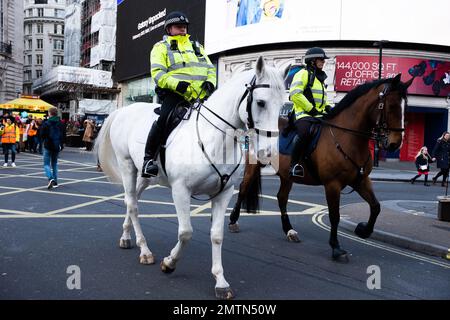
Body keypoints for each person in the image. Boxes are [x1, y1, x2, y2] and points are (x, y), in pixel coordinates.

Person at [141, 11, 217, 178]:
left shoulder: (197, 47)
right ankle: (148, 161)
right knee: (164, 119)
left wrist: (210, 82)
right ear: (169, 29)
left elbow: (211, 69)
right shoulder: (161, 47)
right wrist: (178, 85)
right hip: (177, 95)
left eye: (184, 27)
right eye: (178, 27)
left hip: (200, 96)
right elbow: (158, 74)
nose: (182, 29)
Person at [289, 47, 333, 177]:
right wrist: (311, 109)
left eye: (323, 60)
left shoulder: (320, 79)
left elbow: (322, 99)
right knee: (305, 132)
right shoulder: (302, 73)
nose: (323, 62)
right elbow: (295, 94)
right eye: (321, 59)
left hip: (317, 115)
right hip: (302, 114)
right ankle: (294, 164)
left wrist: (329, 108)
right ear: (312, 61)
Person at [40, 106, 66, 189]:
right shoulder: (61, 123)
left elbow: (42, 135)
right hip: (56, 145)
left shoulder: (46, 123)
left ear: (49, 113)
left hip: (48, 145)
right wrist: (61, 144)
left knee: (46, 164)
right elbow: (63, 135)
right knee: (54, 164)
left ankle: (50, 178)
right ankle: (55, 182)